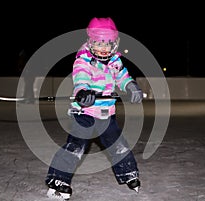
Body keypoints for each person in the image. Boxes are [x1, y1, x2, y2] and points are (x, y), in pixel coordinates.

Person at [45, 17, 144, 200]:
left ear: (115, 43)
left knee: (118, 144)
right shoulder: (84, 60)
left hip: (106, 113)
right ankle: (58, 181)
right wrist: (83, 92)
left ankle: (128, 173)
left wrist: (130, 86)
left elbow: (122, 76)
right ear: (90, 41)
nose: (103, 48)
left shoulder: (114, 60)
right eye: (99, 43)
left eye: (108, 44)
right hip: (85, 113)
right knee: (76, 147)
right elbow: (80, 78)